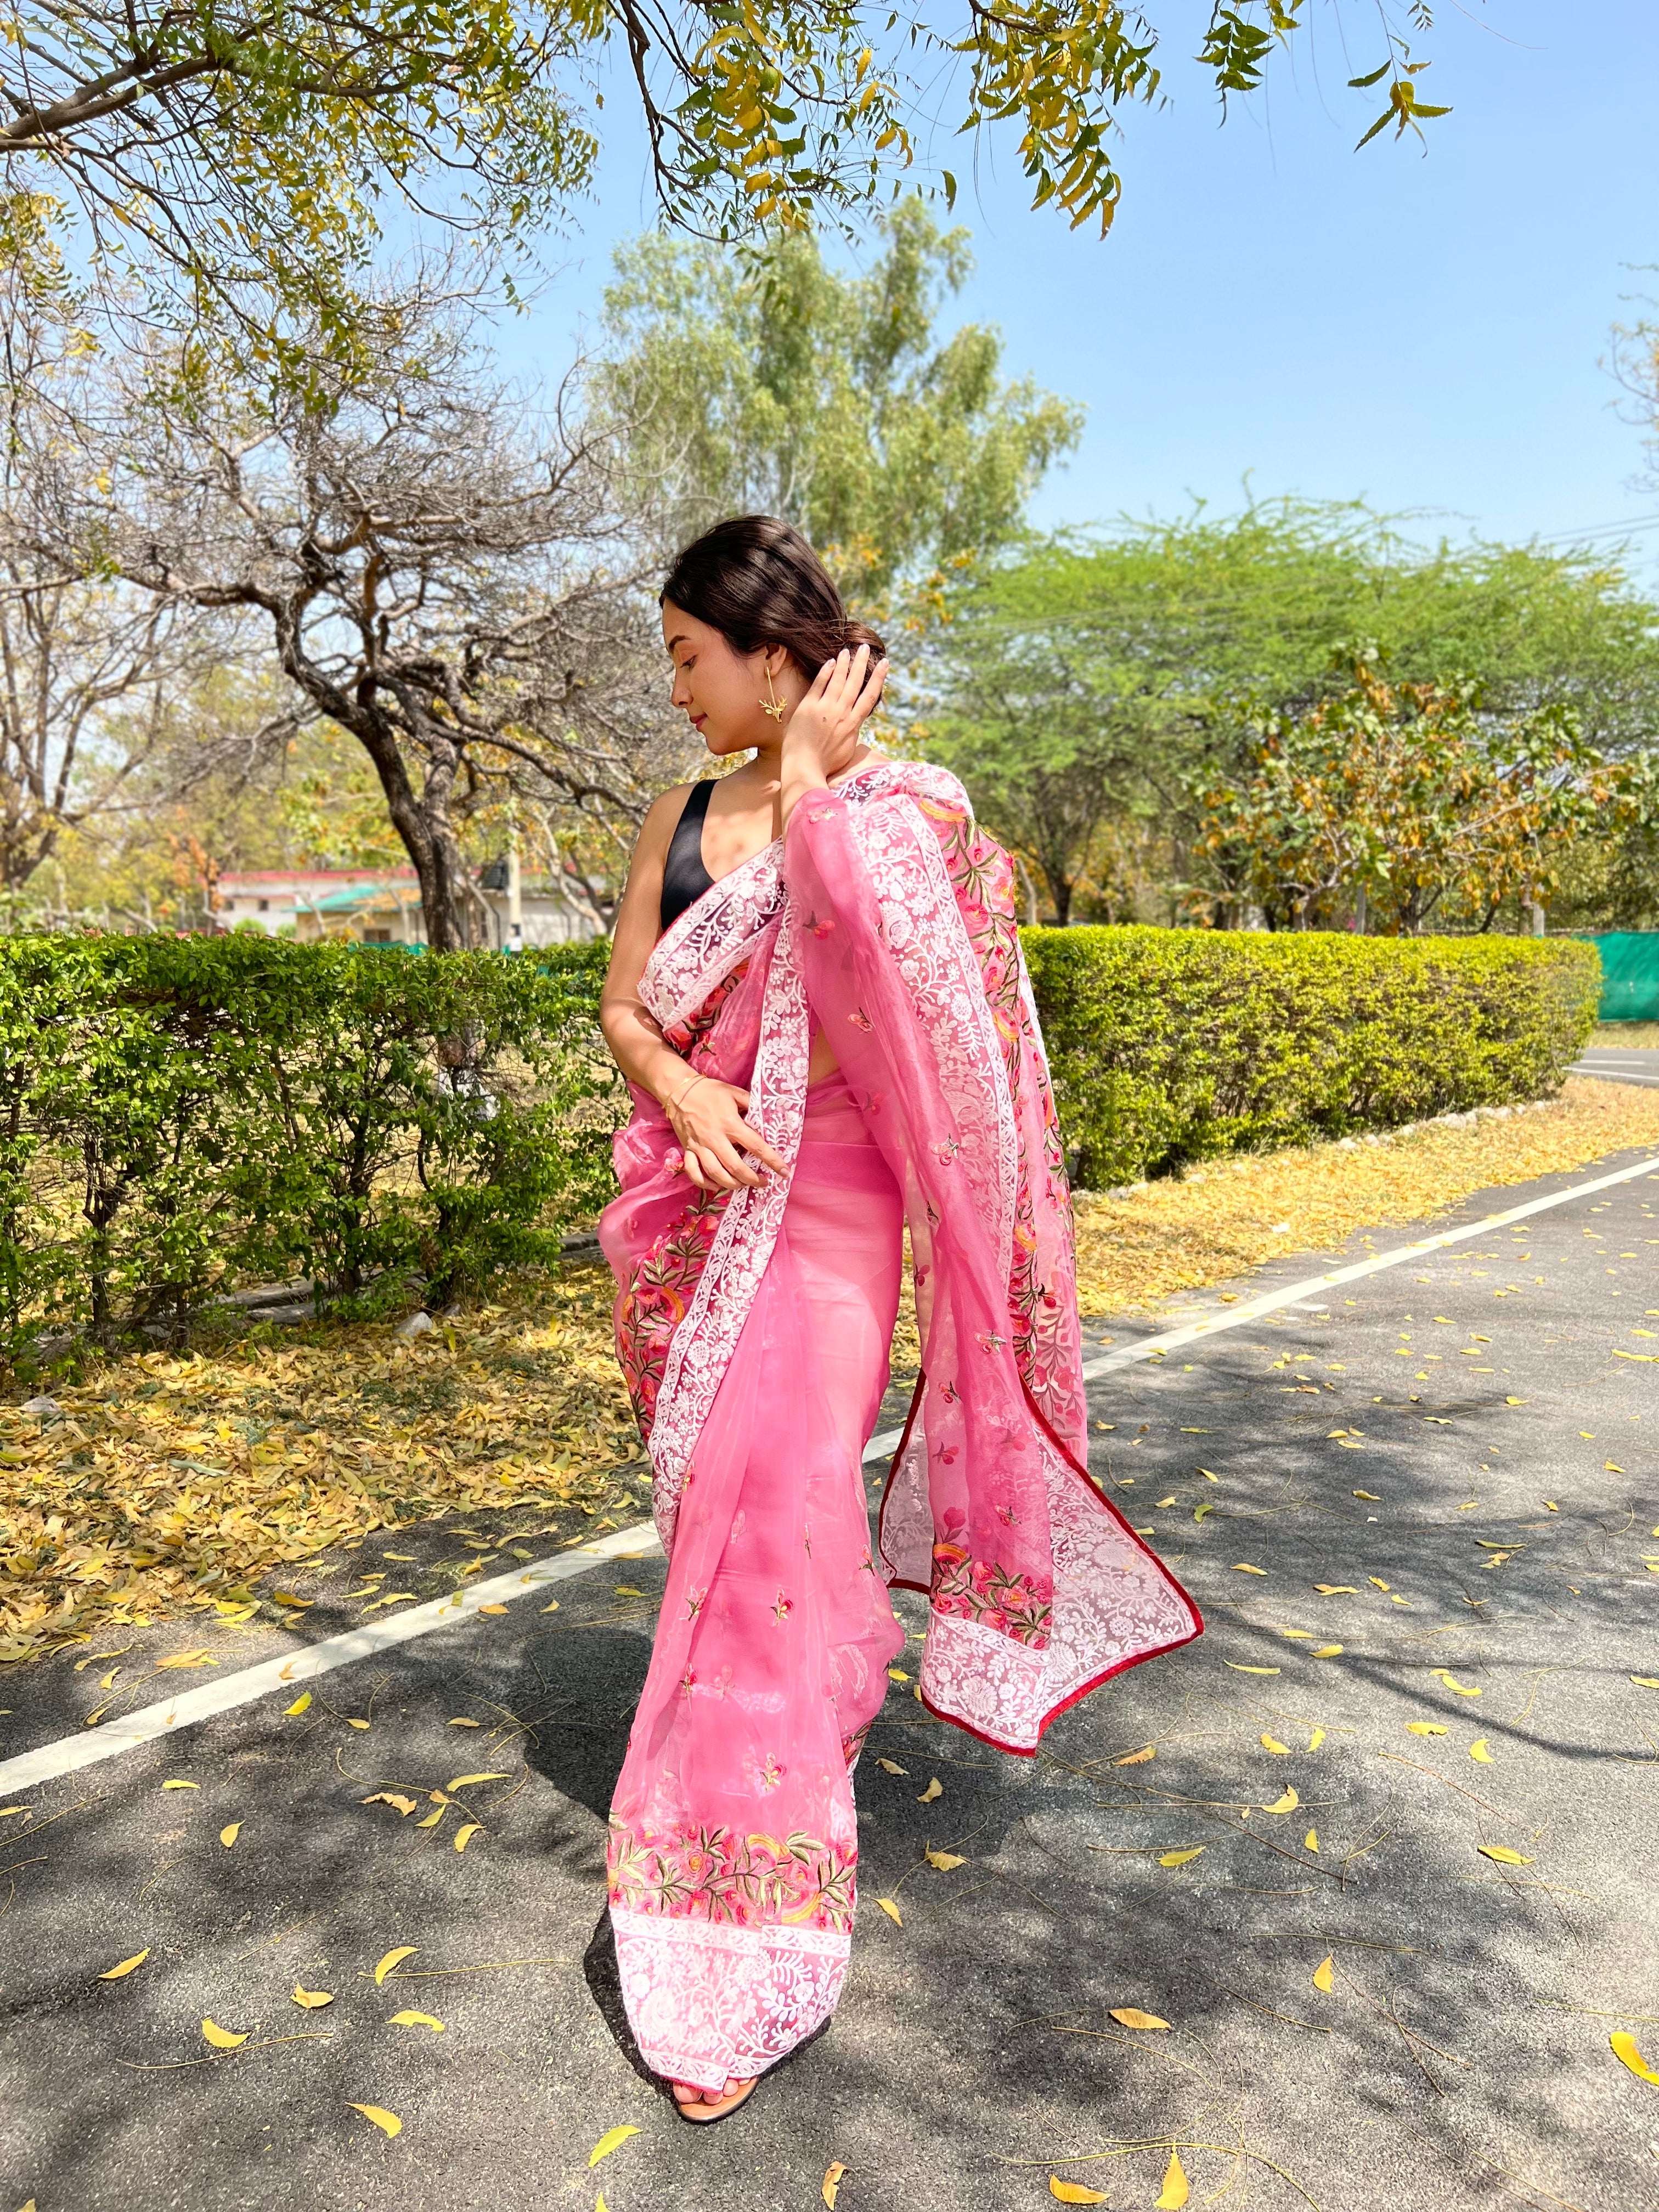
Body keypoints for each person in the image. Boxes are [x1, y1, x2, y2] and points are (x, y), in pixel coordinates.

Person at [597, 515, 1200, 2124]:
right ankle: (816, 1696)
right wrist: (679, 1090)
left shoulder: (910, 810)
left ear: (775, 654)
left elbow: (913, 1008)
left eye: (690, 657)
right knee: (729, 1526)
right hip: (691, 1212)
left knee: (772, 1527)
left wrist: (809, 788)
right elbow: (626, 1004)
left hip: (833, 1218)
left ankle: (732, 1929)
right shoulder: (674, 814)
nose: (677, 689)